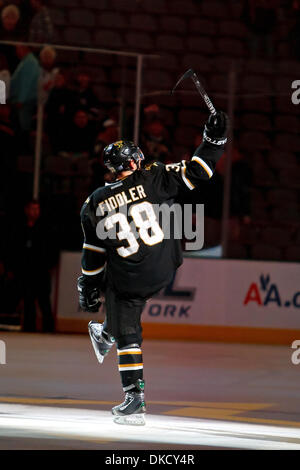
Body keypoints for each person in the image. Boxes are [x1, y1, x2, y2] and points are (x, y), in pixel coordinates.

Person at [77, 111, 228, 425]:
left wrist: (89, 287)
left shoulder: (92, 203)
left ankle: (134, 397)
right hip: (165, 267)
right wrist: (214, 140)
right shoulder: (153, 175)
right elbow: (200, 171)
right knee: (170, 213)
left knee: (127, 327)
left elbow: (93, 257)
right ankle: (106, 332)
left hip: (130, 278)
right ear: (133, 162)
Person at [6, 200, 59, 332]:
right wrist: (12, 268)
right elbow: (12, 249)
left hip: (40, 270)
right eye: (32, 209)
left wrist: (50, 265)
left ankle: (49, 329)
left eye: (37, 209)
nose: (34, 212)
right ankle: (29, 328)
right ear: (26, 210)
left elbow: (53, 249)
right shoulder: (19, 228)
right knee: (28, 300)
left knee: (44, 301)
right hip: (24, 271)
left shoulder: (45, 229)